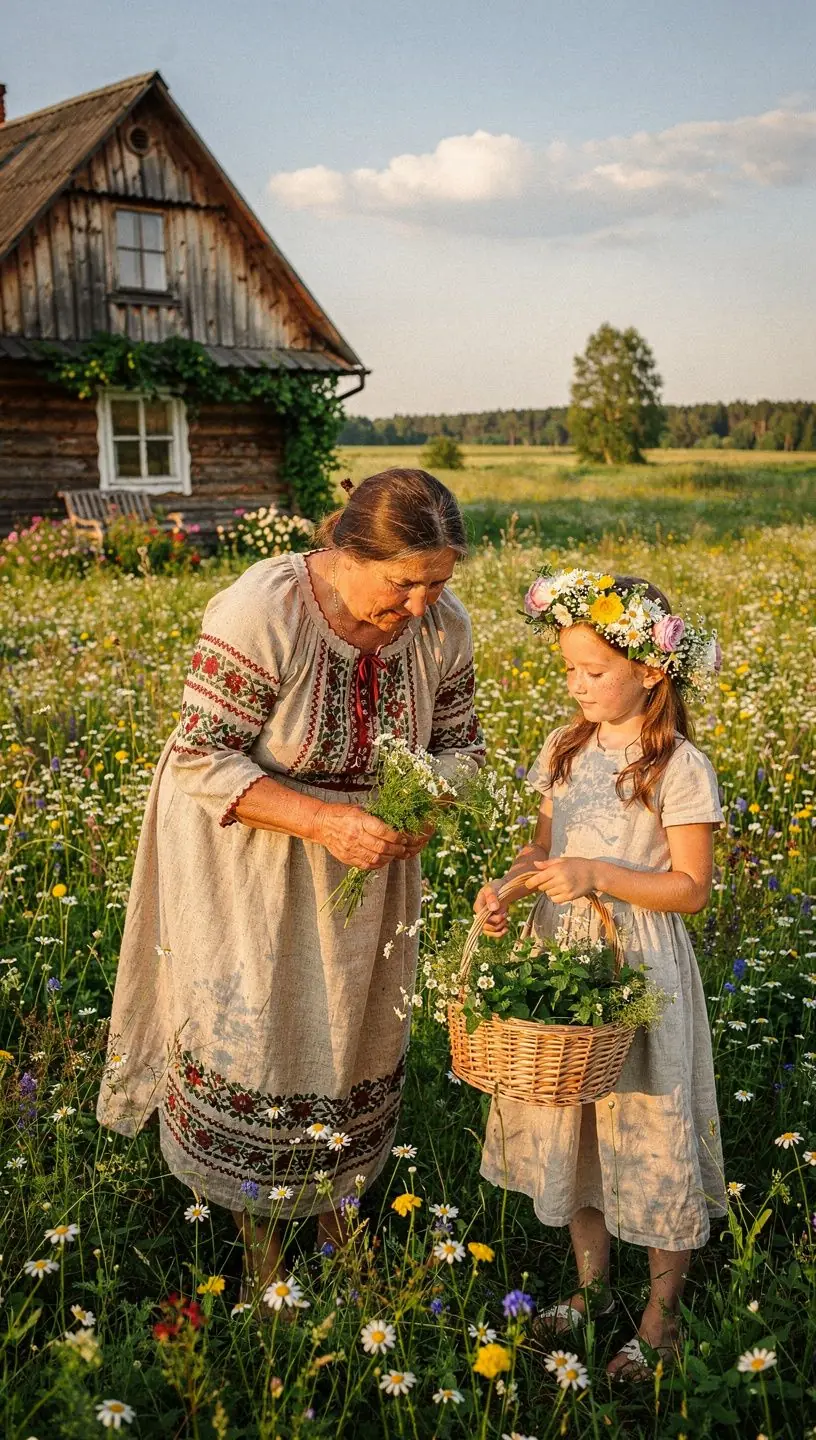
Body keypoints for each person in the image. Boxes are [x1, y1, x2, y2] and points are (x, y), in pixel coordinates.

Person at [97, 469, 484, 1296]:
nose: (421, 606)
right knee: (265, 1039)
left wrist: (430, 800)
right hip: (254, 864)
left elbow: (464, 748)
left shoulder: (443, 627)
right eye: (405, 583)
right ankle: (262, 1250)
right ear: (349, 551)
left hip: (369, 870)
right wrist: (325, 821)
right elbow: (201, 755)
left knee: (351, 1039)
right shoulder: (265, 610)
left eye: (438, 583)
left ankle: (341, 1227)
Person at [475, 568, 725, 1380]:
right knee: (574, 1126)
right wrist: (509, 888)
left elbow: (689, 888)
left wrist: (600, 875)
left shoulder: (677, 765)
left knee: (647, 1131)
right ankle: (592, 1290)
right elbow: (540, 850)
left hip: (638, 967)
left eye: (594, 671)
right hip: (566, 961)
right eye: (568, 671)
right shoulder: (564, 747)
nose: (576, 686)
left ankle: (661, 1317)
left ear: (651, 670)